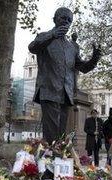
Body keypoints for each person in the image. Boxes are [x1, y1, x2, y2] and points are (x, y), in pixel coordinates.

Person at [28, 7, 101, 143]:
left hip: (65, 94)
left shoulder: (71, 47)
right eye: (63, 18)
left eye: (69, 20)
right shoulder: (44, 37)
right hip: (49, 90)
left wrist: (94, 60)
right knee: (51, 133)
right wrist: (53, 35)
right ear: (55, 19)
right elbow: (33, 47)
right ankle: (50, 159)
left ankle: (59, 159)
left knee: (62, 133)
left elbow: (82, 67)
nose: (66, 22)